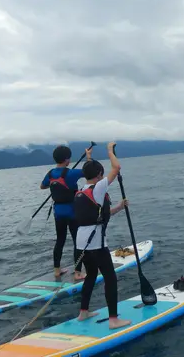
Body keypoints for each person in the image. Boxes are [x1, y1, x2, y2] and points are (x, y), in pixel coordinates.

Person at [73, 141, 131, 329]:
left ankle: (83, 313)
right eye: (101, 173)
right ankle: (113, 319)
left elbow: (99, 216)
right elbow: (117, 167)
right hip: (95, 242)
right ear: (99, 175)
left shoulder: (82, 190)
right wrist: (109, 151)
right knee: (110, 277)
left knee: (90, 275)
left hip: (82, 241)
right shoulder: (98, 188)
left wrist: (119, 208)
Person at [40, 144, 92, 280]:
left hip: (58, 213)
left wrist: (53, 184)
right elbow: (89, 171)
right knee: (77, 242)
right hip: (72, 213)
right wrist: (88, 157)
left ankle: (57, 270)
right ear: (67, 159)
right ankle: (78, 273)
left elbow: (42, 186)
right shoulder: (71, 173)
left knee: (60, 240)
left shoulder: (50, 174)